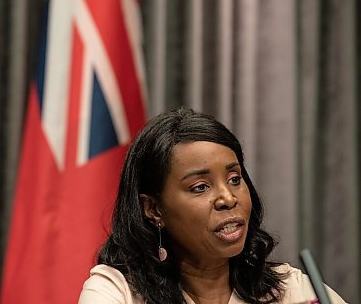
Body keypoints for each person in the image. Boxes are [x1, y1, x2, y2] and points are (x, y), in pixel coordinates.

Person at [78, 107, 346, 304]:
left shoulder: (292, 291)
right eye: (200, 187)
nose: (228, 198)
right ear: (154, 210)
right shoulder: (116, 292)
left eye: (234, 179)